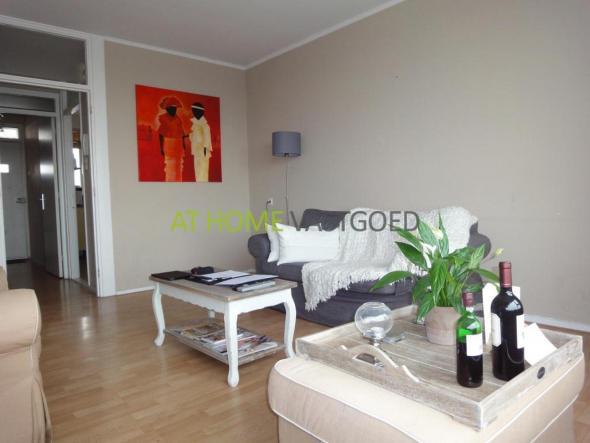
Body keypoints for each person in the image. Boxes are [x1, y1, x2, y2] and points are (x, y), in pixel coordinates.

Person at [157, 96, 187, 181]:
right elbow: (161, 134)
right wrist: (161, 148)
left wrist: (183, 145)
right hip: (168, 144)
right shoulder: (164, 119)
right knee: (169, 165)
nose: (174, 110)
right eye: (171, 109)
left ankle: (178, 181)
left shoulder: (178, 119)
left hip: (178, 145)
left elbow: (182, 133)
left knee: (179, 165)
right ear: (167, 109)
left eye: (175, 109)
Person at [189, 102, 212, 182]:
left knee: (203, 171)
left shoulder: (205, 125)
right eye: (193, 111)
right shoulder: (195, 124)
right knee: (198, 171)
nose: (194, 113)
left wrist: (204, 151)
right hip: (197, 152)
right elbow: (192, 137)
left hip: (203, 152)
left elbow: (207, 139)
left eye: (195, 111)